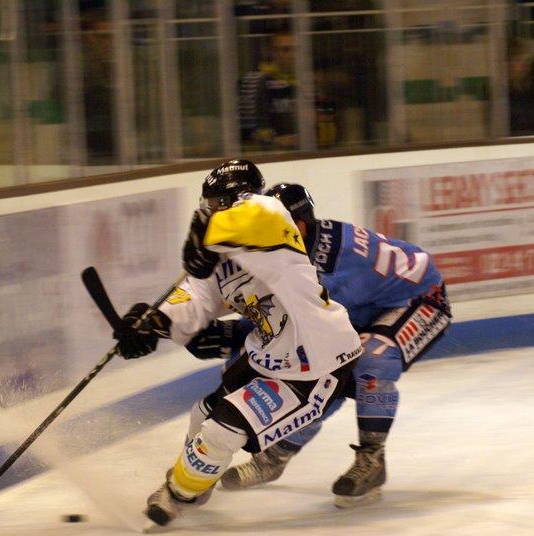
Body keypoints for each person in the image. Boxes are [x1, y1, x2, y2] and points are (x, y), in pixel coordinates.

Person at [112, 160, 363, 526]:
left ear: (238, 201)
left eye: (216, 206)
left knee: (220, 431)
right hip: (269, 355)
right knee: (203, 415)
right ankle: (197, 480)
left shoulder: (274, 225)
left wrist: (207, 231)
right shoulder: (224, 258)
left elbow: (256, 215)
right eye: (207, 206)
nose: (208, 211)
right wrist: (153, 323)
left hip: (316, 363)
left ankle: (178, 494)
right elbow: (195, 297)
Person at [185, 183, 452, 508]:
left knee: (368, 363)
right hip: (371, 301)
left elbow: (301, 323)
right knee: (324, 374)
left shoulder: (336, 266)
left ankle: (372, 460)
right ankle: (277, 457)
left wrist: (234, 334)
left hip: (419, 300)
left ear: (296, 226)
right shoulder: (301, 244)